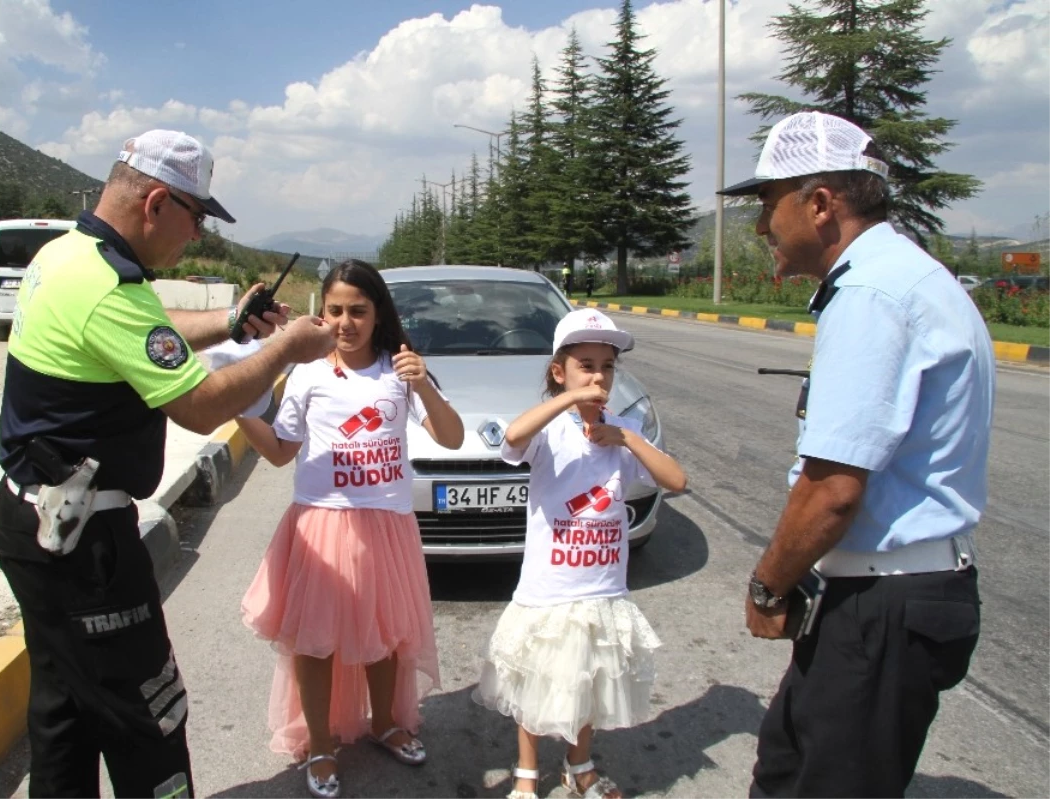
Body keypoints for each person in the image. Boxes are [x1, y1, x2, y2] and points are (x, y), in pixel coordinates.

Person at [0, 129, 336, 799]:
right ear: (155, 203)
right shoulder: (107, 286)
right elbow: (201, 406)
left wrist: (232, 322)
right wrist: (287, 346)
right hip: (83, 546)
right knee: (149, 714)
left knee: (65, 713)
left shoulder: (71, 256)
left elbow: (146, 326)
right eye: (196, 215)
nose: (198, 233)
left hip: (32, 519)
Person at [719, 111, 995, 798]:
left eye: (766, 204)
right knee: (787, 765)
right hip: (884, 596)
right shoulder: (904, 278)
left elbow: (831, 489)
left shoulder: (870, 295)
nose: (760, 228)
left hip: (884, 604)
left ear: (819, 204)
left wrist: (768, 584)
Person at [238, 259, 465, 798]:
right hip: (322, 525)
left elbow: (452, 437)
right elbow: (277, 453)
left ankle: (386, 723)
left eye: (358, 310)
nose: (346, 322)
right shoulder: (309, 373)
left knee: (387, 637)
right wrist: (238, 410)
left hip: (387, 529)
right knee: (315, 645)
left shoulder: (400, 368)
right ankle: (320, 745)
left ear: (378, 312)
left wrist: (424, 386)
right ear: (322, 312)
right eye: (335, 309)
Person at [473, 309, 688, 799]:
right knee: (536, 683)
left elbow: (676, 481)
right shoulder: (551, 431)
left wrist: (626, 436)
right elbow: (513, 437)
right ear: (559, 370)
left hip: (602, 590)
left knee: (588, 684)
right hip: (550, 590)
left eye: (607, 366)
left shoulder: (621, 431)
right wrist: (568, 401)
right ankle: (527, 776)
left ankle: (579, 764)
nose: (598, 376)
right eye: (585, 364)